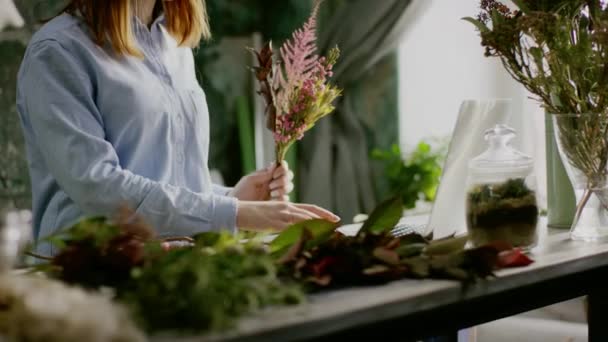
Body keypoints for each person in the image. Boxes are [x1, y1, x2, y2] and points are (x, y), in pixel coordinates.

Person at [16, 0, 340, 256]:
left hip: (175, 266)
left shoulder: (174, 45)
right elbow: (97, 186)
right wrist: (234, 212)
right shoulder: (58, 51)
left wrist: (232, 197)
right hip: (89, 276)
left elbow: (164, 177)